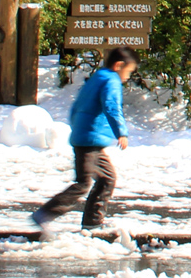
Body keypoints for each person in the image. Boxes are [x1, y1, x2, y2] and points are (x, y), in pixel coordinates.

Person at [33, 46, 137, 235]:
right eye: (128, 71)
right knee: (83, 183)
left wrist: (77, 127)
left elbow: (77, 105)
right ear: (119, 65)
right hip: (89, 139)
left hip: (87, 137)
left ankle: (92, 223)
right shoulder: (111, 80)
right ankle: (45, 214)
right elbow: (112, 106)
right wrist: (121, 132)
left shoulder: (98, 77)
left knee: (107, 179)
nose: (128, 76)